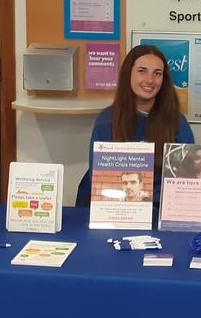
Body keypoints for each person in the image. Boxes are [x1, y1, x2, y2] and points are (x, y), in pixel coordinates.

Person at [77, 44, 194, 204]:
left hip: (162, 207)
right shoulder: (107, 120)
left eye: (157, 73)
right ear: (128, 74)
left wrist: (151, 198)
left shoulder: (177, 122)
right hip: (117, 208)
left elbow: (185, 180)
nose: (150, 80)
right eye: (142, 71)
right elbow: (100, 177)